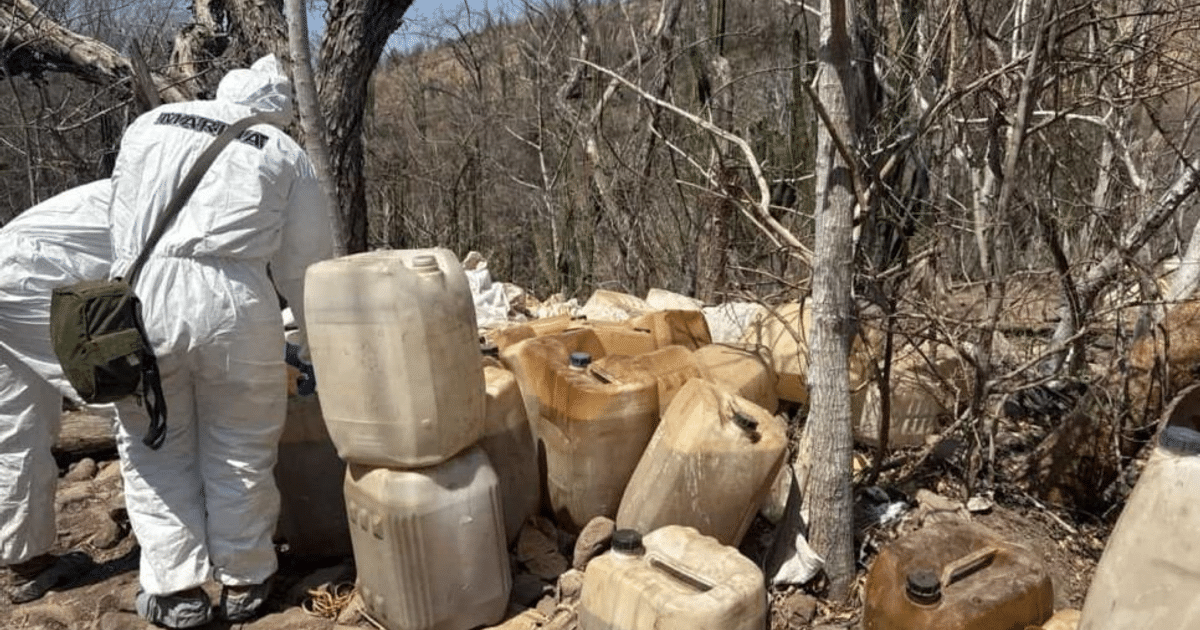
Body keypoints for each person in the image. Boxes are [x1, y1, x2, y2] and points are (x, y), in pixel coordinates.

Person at [106, 55, 333, 628]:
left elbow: (121, 218)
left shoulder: (151, 124)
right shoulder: (283, 151)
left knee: (154, 447)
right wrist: (314, 342)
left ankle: (176, 592)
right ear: (278, 109)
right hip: (238, 300)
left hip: (144, 295)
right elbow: (307, 265)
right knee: (242, 446)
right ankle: (247, 580)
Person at [0, 180, 113, 603]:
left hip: (9, 267)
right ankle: (178, 549)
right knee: (130, 406)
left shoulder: (138, 179)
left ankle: (28, 561)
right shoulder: (182, 199)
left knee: (16, 424)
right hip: (36, 280)